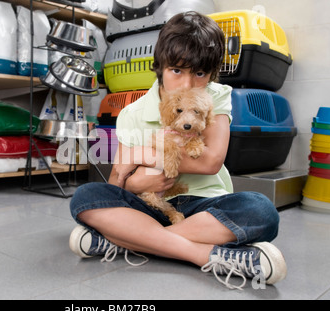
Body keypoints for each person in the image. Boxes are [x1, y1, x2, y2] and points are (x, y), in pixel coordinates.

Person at [68, 11, 287, 290]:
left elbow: (210, 162)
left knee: (261, 210)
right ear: (159, 66)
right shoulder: (132, 113)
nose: (187, 84)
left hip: (204, 205)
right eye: (176, 70)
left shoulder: (216, 95)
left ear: (211, 74)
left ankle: (127, 241)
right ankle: (204, 254)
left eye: (199, 73)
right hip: (151, 206)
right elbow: (119, 181)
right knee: (86, 197)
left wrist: (139, 156)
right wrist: (138, 180)